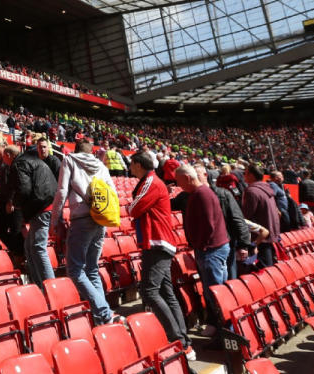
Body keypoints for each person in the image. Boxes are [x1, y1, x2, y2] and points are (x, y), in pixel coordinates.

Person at [128, 152, 191, 357]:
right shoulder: (153, 181)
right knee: (166, 293)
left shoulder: (151, 181)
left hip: (157, 242)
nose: (130, 169)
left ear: (138, 164)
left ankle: (177, 339)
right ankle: (182, 340)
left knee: (149, 292)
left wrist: (131, 206)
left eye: (132, 165)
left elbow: (134, 208)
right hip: (159, 242)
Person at [51, 139, 115, 323]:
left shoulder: (69, 160)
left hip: (81, 217)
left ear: (76, 150)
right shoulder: (101, 165)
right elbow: (111, 191)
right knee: (92, 269)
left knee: (75, 270)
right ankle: (103, 316)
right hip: (100, 217)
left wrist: (55, 220)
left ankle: (104, 312)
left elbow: (62, 190)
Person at [174, 164, 229, 338]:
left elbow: (208, 225)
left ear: (188, 178)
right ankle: (219, 327)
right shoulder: (199, 193)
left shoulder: (202, 195)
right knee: (214, 291)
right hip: (210, 249)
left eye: (179, 181)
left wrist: (200, 245)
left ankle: (221, 330)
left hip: (210, 250)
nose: (178, 185)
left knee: (214, 292)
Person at [8, 139, 58, 289]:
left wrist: (15, 204)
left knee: (38, 247)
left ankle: (51, 288)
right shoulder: (33, 160)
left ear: (9, 155)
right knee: (30, 246)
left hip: (41, 207)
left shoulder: (19, 163)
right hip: (46, 204)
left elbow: (24, 190)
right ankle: (38, 285)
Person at [241, 164, 280, 268]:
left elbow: (246, 216)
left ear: (252, 175)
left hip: (259, 239)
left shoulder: (251, 191)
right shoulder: (267, 188)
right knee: (269, 269)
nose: (244, 175)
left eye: (246, 173)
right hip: (271, 235)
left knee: (261, 272)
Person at [0, 136, 23, 258]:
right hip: (1, 200)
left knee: (15, 231)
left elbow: (14, 183)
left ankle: (19, 253)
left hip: (9, 201)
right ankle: (18, 251)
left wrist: (11, 201)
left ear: (4, 147)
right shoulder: (1, 163)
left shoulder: (9, 163)